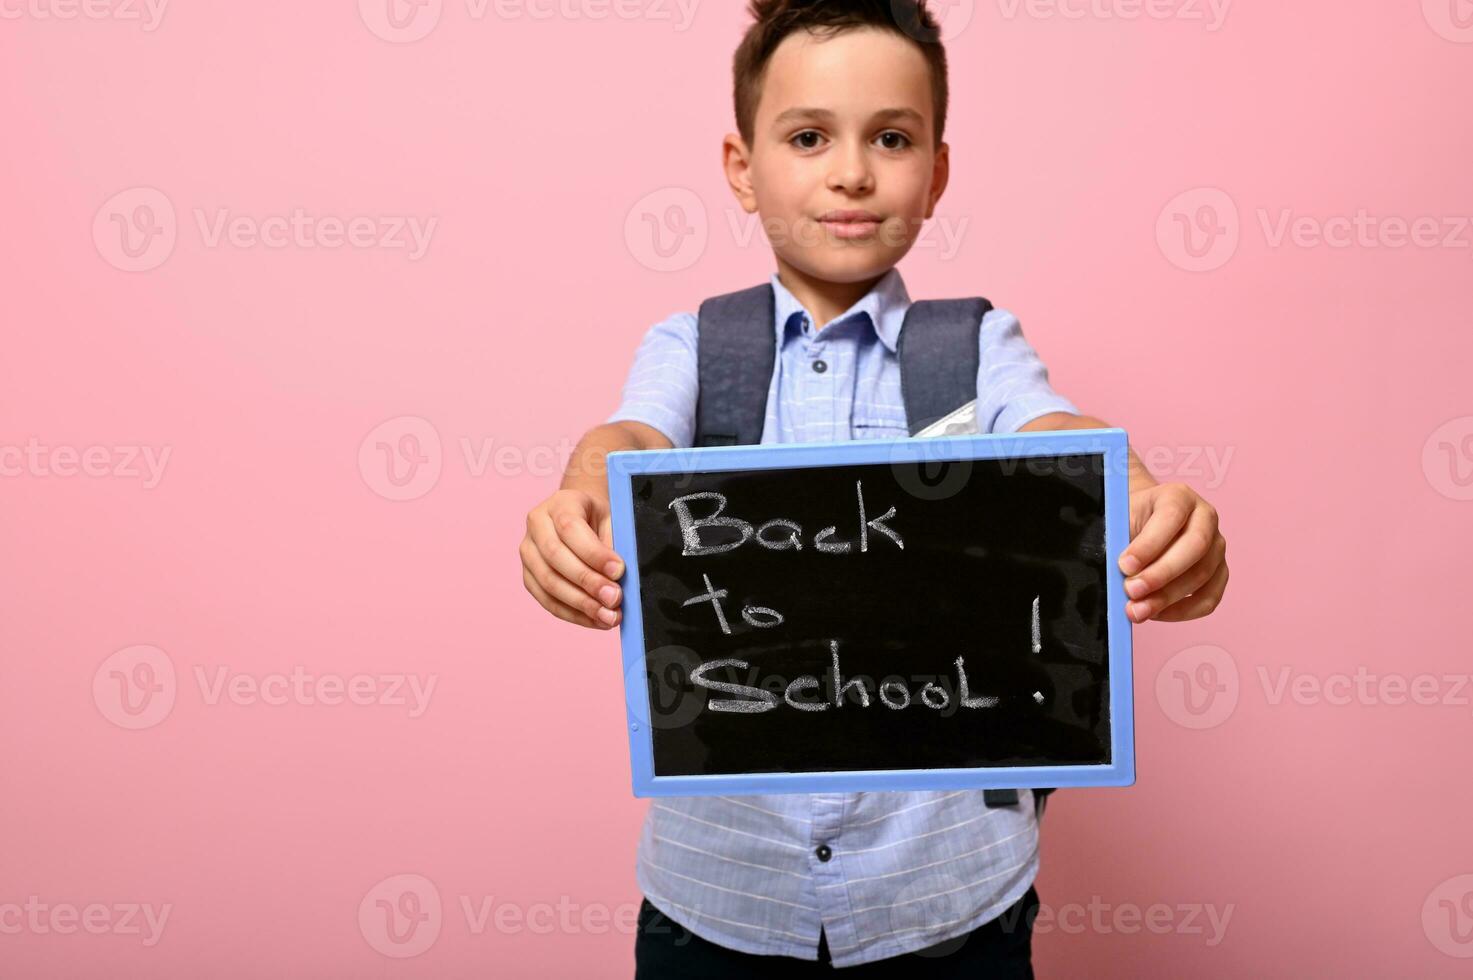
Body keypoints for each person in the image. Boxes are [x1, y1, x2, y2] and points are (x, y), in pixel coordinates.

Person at [518, 1, 1230, 973]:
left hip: (949, 900)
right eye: (808, 137)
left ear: (936, 172)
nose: (851, 171)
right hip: (720, 901)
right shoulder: (695, 346)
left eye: (891, 138)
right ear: (741, 165)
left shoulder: (975, 351)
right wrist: (580, 493)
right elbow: (630, 435)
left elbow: (1055, 432)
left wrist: (1142, 498)